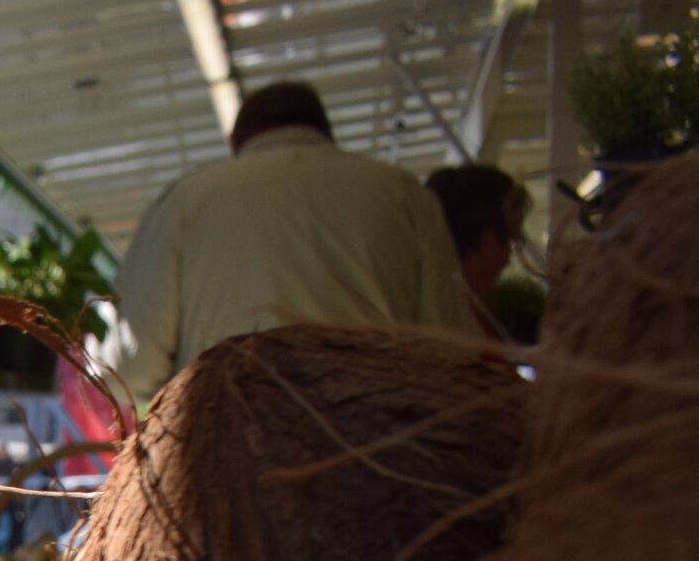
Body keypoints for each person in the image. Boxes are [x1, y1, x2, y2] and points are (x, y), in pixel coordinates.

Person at [102, 80, 479, 402]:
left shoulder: (185, 200)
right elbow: (451, 348)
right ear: (325, 134)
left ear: (235, 144)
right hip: (375, 443)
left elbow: (133, 369)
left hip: (228, 444)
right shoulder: (404, 194)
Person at [425, 162, 534, 341]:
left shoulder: (430, 314)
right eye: (509, 242)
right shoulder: (460, 334)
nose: (508, 260)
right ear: (488, 240)